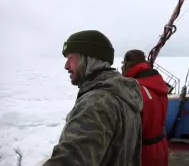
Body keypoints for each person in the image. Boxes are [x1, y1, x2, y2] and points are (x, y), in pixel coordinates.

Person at [39, 30, 143, 166]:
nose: (66, 66)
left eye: (71, 58)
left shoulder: (96, 103)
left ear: (88, 58)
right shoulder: (125, 94)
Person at [121, 49, 169, 166]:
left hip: (142, 154)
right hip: (160, 147)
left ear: (128, 64)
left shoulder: (135, 91)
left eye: (123, 64)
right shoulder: (158, 84)